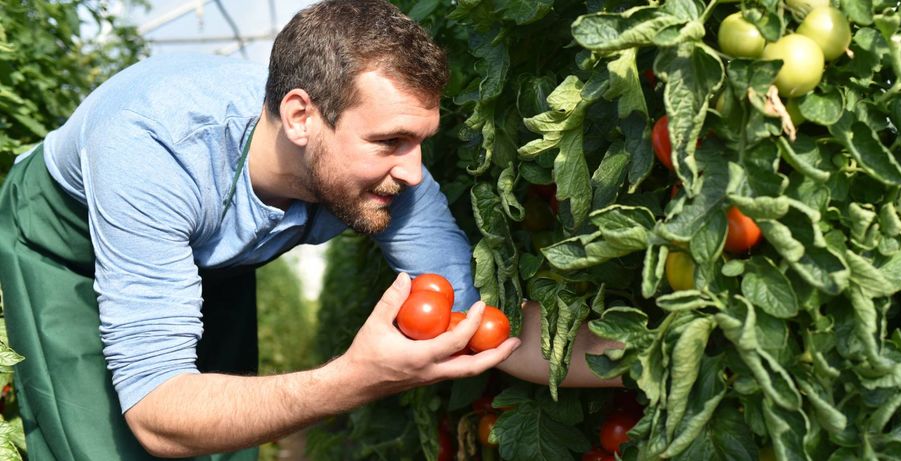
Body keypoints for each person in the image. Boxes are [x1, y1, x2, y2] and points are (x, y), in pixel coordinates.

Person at [0, 1, 618, 459]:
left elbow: (475, 325)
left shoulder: (389, 178)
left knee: (223, 437)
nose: (414, 172)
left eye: (419, 141)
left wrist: (656, 356)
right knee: (106, 442)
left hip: (204, 256)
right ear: (300, 116)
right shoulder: (155, 147)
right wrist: (350, 381)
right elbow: (157, 414)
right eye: (389, 142)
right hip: (69, 249)